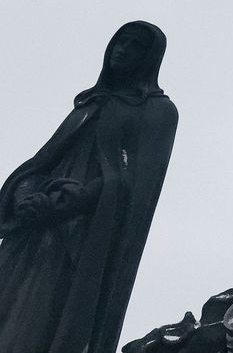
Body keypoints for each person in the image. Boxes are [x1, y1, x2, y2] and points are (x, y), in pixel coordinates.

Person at [0, 21, 178, 353]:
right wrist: (26, 197)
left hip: (78, 241)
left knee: (33, 325)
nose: (122, 49)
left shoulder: (158, 111)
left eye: (135, 46)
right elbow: (41, 163)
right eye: (119, 41)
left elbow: (135, 185)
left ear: (150, 58)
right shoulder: (89, 105)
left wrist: (73, 201)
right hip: (33, 228)